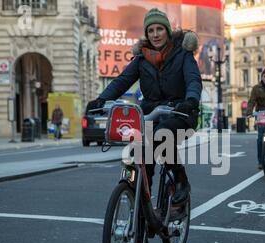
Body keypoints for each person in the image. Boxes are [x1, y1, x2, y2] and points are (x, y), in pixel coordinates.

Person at [86, 8, 201, 208]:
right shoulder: (141, 59)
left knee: (161, 135)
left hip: (180, 112)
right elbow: (121, 81)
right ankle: (141, 215)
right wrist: (101, 100)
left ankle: (180, 179)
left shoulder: (183, 54)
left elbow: (193, 80)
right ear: (146, 34)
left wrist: (190, 100)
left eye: (159, 29)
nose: (155, 34)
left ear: (167, 31)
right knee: (141, 156)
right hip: (151, 115)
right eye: (150, 31)